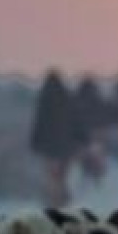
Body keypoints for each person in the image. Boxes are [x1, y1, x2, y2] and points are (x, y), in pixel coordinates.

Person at [30, 71, 85, 207]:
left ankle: (55, 201)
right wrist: (81, 140)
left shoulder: (44, 100)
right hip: (66, 148)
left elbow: (39, 124)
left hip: (49, 148)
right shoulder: (67, 100)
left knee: (52, 177)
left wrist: (35, 143)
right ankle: (62, 200)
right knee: (61, 177)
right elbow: (76, 123)